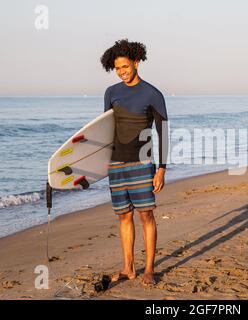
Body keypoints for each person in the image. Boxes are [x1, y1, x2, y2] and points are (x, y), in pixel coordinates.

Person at [101, 39, 168, 285]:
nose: (122, 72)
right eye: (118, 68)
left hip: (142, 163)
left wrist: (161, 169)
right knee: (123, 217)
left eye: (126, 67)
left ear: (136, 63)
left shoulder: (152, 94)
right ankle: (128, 268)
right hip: (116, 164)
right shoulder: (111, 93)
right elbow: (104, 131)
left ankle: (149, 268)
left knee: (146, 216)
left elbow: (164, 133)